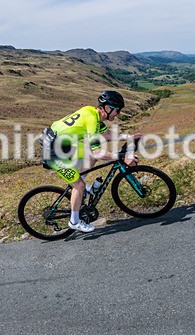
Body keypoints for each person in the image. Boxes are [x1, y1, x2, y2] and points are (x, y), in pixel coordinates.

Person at [43, 90, 140, 233]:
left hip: (62, 143)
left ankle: (84, 188)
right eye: (117, 111)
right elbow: (97, 152)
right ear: (107, 108)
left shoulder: (93, 113)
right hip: (53, 151)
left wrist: (128, 136)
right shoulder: (92, 118)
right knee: (78, 185)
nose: (118, 114)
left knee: (90, 155)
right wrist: (122, 157)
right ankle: (74, 221)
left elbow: (106, 134)